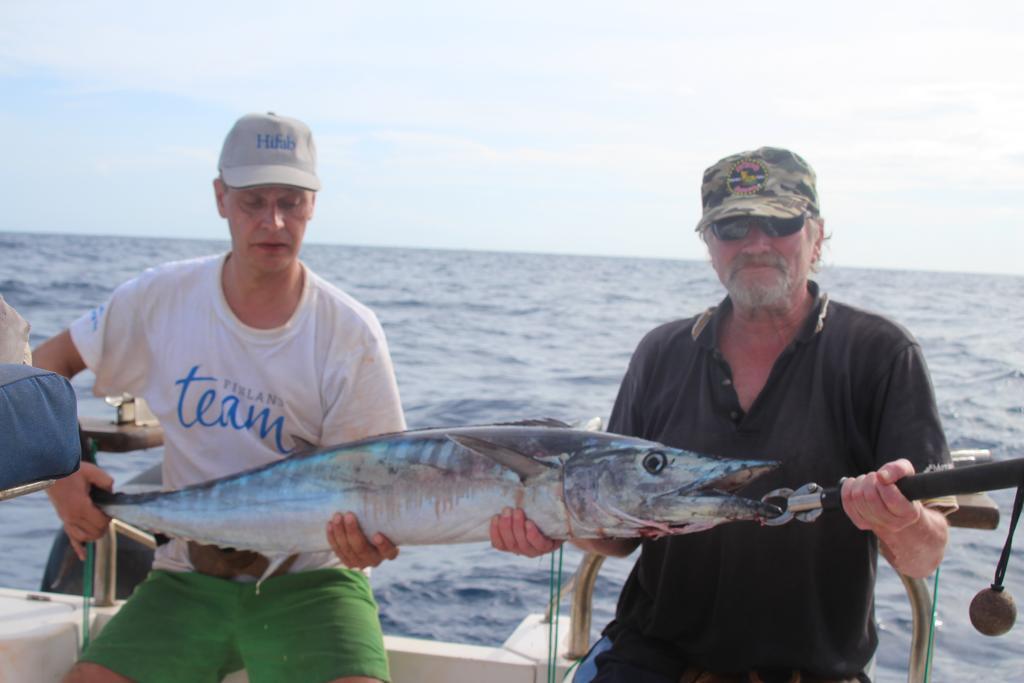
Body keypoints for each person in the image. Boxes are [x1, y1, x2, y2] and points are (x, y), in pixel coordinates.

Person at [491, 147, 955, 683]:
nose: (756, 244)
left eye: (780, 221)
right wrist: (557, 523)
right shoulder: (659, 353)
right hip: (650, 658)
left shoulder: (882, 353)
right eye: (731, 226)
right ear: (709, 245)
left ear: (817, 235)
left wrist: (901, 521)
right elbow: (616, 538)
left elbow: (926, 555)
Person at [34, 112, 406, 683]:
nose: (274, 221)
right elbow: (45, 366)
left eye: (291, 200)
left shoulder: (350, 332)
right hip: (185, 575)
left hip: (313, 582)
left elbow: (378, 488)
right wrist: (61, 472)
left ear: (313, 203)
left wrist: (371, 542)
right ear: (220, 198)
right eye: (254, 201)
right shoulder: (159, 298)